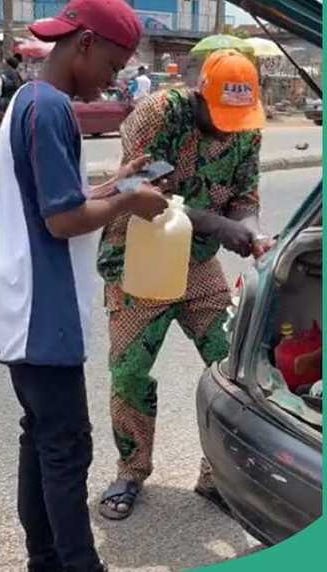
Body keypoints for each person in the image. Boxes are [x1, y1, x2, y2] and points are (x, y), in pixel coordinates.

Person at [0, 0, 168, 572]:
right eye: (111, 67)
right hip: (40, 306)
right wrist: (130, 202)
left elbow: (61, 199)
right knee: (66, 447)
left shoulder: (30, 101)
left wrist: (116, 183)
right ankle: (77, 564)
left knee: (40, 436)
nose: (110, 84)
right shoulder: (51, 108)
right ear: (84, 44)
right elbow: (62, 221)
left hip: (20, 300)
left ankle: (44, 559)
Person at [96, 49, 273, 520]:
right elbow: (138, 193)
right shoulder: (157, 114)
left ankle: (217, 474)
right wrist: (219, 226)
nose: (231, 127)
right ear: (199, 96)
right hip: (140, 259)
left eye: (240, 117)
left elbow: (244, 198)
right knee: (130, 373)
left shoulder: (246, 127)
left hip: (197, 268)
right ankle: (131, 470)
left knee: (232, 364)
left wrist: (251, 232)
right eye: (221, 115)